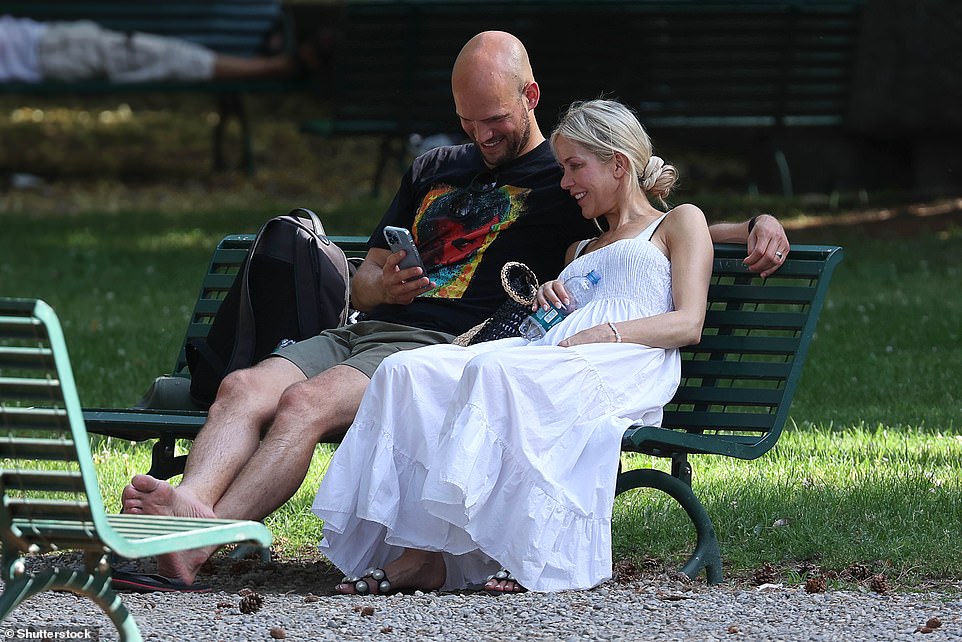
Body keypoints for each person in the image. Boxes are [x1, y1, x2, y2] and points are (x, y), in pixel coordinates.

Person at [121, 30, 789, 588]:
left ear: (530, 98)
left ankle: (199, 540)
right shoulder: (434, 165)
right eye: (468, 122)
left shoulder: (561, 188)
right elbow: (363, 280)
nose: (482, 137)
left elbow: (657, 224)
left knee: (304, 405)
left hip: (439, 343)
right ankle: (192, 514)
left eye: (494, 121)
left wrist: (759, 220)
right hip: (366, 327)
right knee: (243, 387)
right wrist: (378, 288)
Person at [312, 97, 712, 595]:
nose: (565, 182)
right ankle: (420, 553)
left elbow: (687, 322)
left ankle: (522, 547)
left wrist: (603, 334)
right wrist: (552, 298)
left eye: (573, 167)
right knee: (408, 370)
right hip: (554, 351)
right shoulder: (580, 247)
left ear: (618, 164)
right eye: (563, 169)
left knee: (495, 374)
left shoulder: (678, 222)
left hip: (622, 360)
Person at [0, 14, 307, 84]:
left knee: (167, 53)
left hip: (55, 44)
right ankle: (272, 66)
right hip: (55, 51)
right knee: (168, 56)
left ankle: (264, 64)